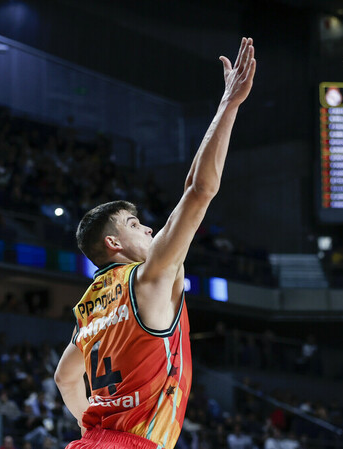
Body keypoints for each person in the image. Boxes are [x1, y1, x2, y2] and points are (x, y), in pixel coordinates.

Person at [53, 38, 256, 449]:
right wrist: (228, 106)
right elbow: (198, 190)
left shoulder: (89, 306)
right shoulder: (151, 276)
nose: (148, 229)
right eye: (135, 223)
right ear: (113, 242)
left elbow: (64, 377)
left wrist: (91, 431)